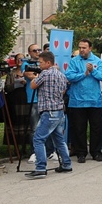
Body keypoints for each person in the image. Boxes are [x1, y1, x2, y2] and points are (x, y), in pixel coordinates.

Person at [24, 51, 73, 179]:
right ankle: (66, 164)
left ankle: (40, 168)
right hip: (59, 111)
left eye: (40, 62)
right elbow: (63, 91)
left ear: (48, 62)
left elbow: (33, 85)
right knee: (59, 139)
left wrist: (36, 76)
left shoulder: (45, 74)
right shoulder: (61, 75)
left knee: (38, 139)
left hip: (48, 111)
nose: (39, 65)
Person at [65, 39, 102, 163]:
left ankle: (96, 152)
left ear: (90, 48)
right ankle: (81, 153)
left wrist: (93, 70)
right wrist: (84, 74)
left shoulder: (97, 61)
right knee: (79, 128)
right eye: (80, 47)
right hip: (77, 101)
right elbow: (69, 76)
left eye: (84, 47)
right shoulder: (74, 61)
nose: (82, 50)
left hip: (94, 100)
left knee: (96, 128)